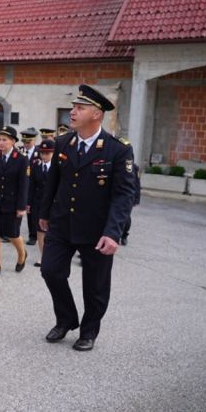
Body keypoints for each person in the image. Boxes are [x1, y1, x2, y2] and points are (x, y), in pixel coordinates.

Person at [39, 85, 136, 352]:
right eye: (74, 107)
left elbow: (124, 195)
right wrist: (44, 216)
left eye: (79, 108)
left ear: (96, 114)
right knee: (50, 271)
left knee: (95, 285)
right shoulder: (63, 143)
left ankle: (89, 330)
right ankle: (66, 318)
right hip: (62, 224)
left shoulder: (117, 150)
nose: (72, 111)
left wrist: (113, 232)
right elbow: (53, 184)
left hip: (97, 230)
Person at [0, 125, 30, 275]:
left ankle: (22, 254)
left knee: (12, 233)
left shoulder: (21, 159)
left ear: (13, 141)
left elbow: (24, 185)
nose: (1, 142)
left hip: (12, 203)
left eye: (4, 140)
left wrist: (21, 206)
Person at [27, 139, 55, 266]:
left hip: (54, 204)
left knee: (52, 231)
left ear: (53, 153)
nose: (44, 156)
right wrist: (28, 203)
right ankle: (43, 256)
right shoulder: (36, 165)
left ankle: (52, 256)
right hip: (38, 202)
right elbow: (31, 186)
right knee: (40, 230)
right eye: (42, 153)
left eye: (47, 153)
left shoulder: (58, 167)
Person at [119, 139, 141, 246]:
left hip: (130, 197)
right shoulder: (118, 165)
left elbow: (137, 184)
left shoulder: (135, 168)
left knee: (126, 218)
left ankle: (124, 235)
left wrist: (136, 199)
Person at [20, 127, 39, 245]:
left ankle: (34, 235)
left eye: (28, 142)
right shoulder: (20, 151)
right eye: (24, 142)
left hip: (34, 186)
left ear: (34, 141)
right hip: (22, 185)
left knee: (33, 212)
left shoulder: (39, 152)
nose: (26, 144)